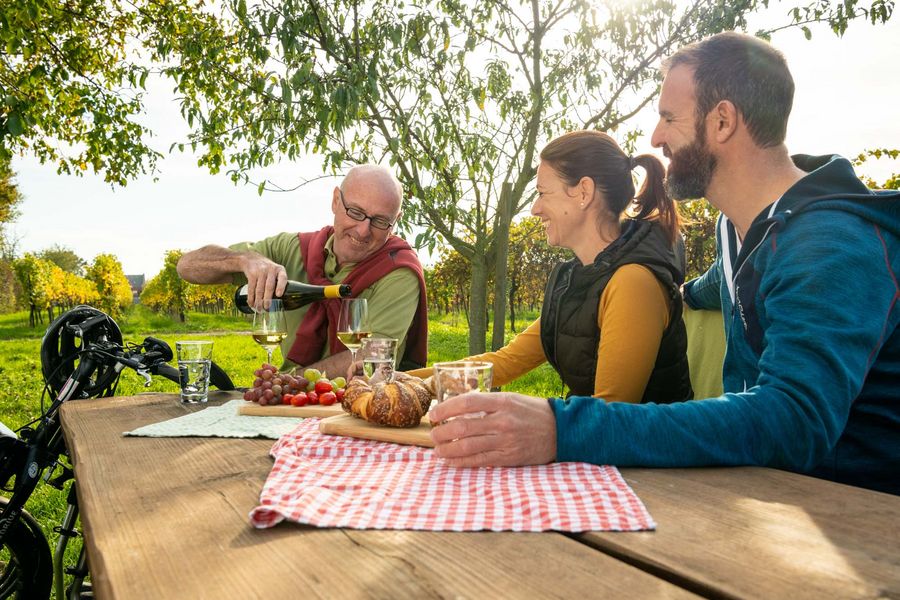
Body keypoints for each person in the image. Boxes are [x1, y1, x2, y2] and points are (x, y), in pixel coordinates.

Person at [429, 32, 900, 496]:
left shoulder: (833, 244)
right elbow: (719, 286)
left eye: (669, 118)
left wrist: (562, 426)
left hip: (857, 515)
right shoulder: (737, 231)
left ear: (722, 122)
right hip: (766, 495)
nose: (655, 138)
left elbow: (795, 421)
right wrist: (672, 297)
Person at [411, 130, 693, 404]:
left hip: (636, 450)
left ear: (584, 191)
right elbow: (506, 362)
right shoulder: (574, 279)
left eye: (543, 193)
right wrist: (404, 381)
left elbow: (610, 415)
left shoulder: (633, 283)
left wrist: (530, 415)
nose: (535, 208)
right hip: (592, 444)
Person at [177, 164, 428, 375]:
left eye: (380, 221)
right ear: (335, 201)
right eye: (355, 212)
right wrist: (244, 259)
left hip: (357, 408)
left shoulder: (399, 270)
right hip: (288, 404)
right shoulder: (292, 249)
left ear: (395, 222)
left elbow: (373, 353)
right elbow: (187, 267)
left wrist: (293, 381)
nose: (363, 230)